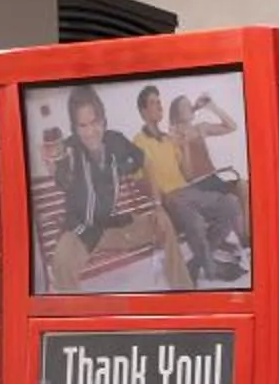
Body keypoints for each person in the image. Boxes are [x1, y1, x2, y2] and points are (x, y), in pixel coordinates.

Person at [44, 84, 186, 291]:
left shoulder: (115, 140)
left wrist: (156, 204)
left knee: (162, 221)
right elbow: (64, 178)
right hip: (81, 232)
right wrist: (53, 170)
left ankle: (183, 292)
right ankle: (75, 321)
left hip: (112, 226)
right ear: (74, 128)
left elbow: (145, 161)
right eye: (82, 126)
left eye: (95, 123)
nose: (91, 132)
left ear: (103, 120)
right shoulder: (70, 149)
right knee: (61, 263)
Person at [135, 85, 246, 284]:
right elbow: (139, 181)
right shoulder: (138, 142)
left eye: (159, 101)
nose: (159, 105)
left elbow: (186, 174)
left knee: (231, 203)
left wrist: (185, 144)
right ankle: (212, 269)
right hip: (171, 199)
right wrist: (159, 199)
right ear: (143, 111)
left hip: (188, 191)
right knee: (194, 222)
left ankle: (196, 264)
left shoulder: (169, 139)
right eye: (153, 102)